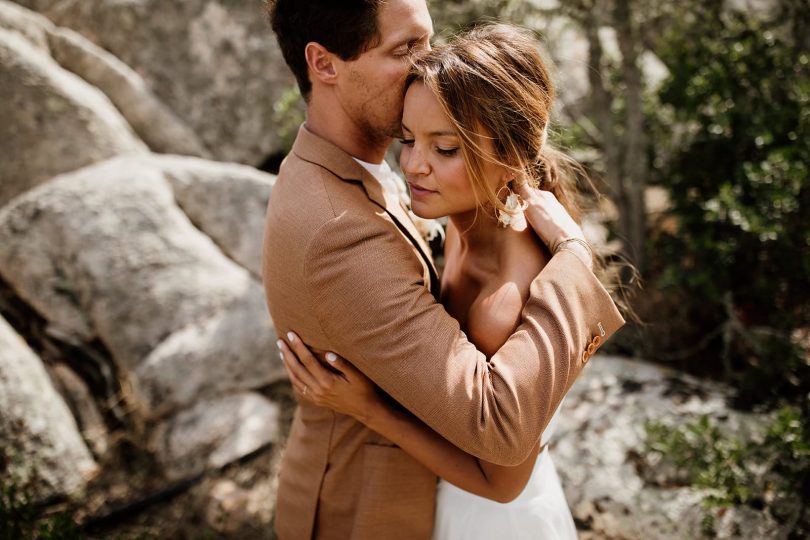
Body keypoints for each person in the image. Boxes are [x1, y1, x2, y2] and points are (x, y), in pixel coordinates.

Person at [262, 1, 625, 538]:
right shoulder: (339, 226)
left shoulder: (359, 175)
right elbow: (495, 423)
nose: (424, 64)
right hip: (368, 510)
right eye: (404, 49)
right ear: (324, 64)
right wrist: (575, 254)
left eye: (426, 42)